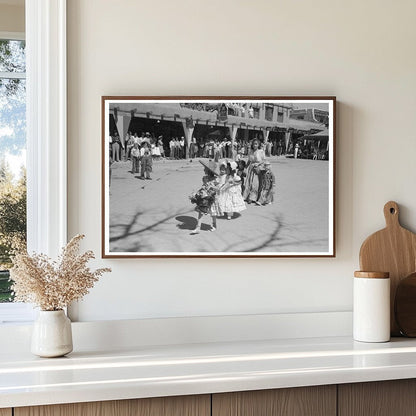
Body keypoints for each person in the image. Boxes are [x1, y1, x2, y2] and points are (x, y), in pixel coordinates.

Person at [189, 160, 222, 234]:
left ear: (209, 170)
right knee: (201, 211)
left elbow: (219, 189)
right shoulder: (205, 178)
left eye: (205, 168)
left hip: (212, 198)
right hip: (205, 198)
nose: (204, 169)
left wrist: (212, 187)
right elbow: (203, 187)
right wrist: (196, 194)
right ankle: (198, 228)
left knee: (213, 213)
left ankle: (214, 225)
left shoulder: (216, 179)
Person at [242, 139, 265, 204]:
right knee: (248, 183)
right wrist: (245, 168)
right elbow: (249, 160)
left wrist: (259, 165)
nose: (255, 145)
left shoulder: (261, 151)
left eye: (256, 144)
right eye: (254, 144)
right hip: (251, 169)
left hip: (257, 169)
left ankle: (253, 198)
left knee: (255, 184)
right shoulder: (250, 151)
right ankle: (246, 196)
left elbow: (264, 160)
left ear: (258, 145)